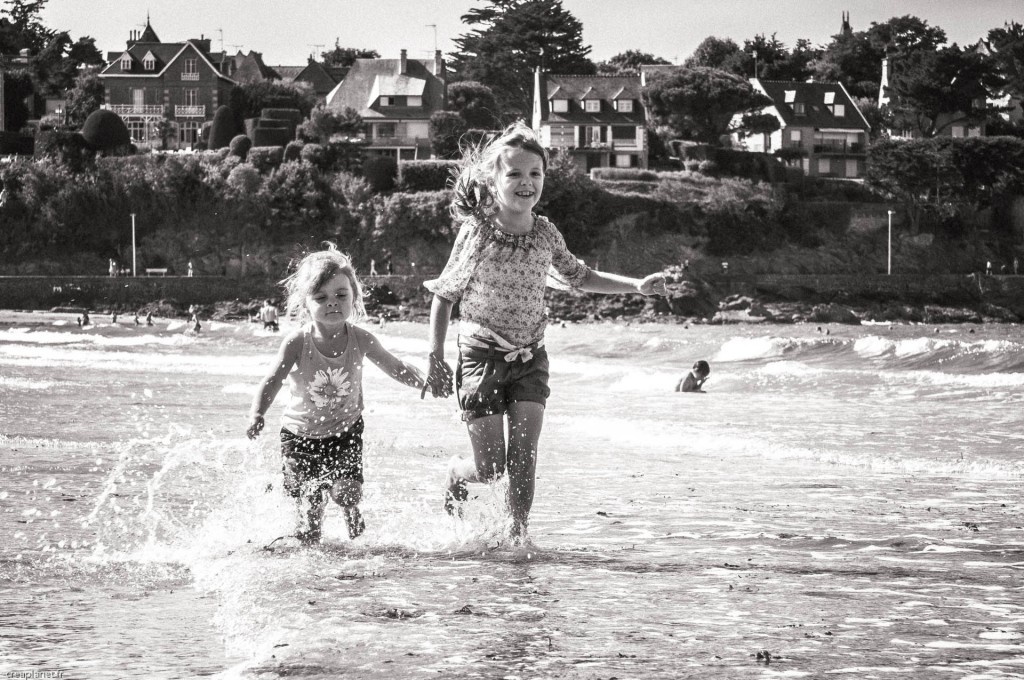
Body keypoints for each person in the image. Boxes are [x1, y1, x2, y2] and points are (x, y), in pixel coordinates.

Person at [421, 121, 667, 542]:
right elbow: (445, 294)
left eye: (535, 173)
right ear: (493, 179)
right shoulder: (478, 231)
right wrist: (435, 356)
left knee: (524, 457)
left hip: (531, 357)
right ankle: (457, 473)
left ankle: (517, 538)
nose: (526, 182)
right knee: (491, 468)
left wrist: (636, 286)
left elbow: (580, 276)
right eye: (515, 173)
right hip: (481, 356)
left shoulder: (545, 232)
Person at [247, 246, 426, 545]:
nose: (332, 302)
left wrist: (425, 382)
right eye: (321, 298)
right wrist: (257, 413)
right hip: (299, 436)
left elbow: (396, 367)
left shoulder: (361, 339)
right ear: (305, 304)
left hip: (346, 430)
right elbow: (273, 379)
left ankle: (350, 510)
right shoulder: (296, 342)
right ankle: (317, 565)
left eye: (341, 295)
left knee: (347, 492)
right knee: (310, 520)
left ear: (354, 297)